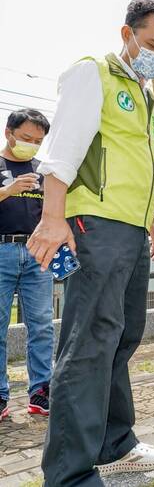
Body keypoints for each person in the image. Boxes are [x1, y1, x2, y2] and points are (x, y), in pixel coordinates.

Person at [28, 0, 154, 484]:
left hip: (133, 229)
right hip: (95, 225)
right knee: (90, 343)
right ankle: (69, 473)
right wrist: (54, 218)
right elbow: (61, 151)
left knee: (122, 336)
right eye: (153, 43)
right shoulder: (93, 72)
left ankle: (118, 443)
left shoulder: (144, 91)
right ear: (127, 34)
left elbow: (139, 163)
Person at [0, 109, 53, 422]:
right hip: (2, 250)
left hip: (37, 253)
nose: (32, 145)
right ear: (9, 132)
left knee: (42, 327)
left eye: (38, 141)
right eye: (26, 138)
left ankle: (41, 392)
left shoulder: (42, 170)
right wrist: (8, 190)